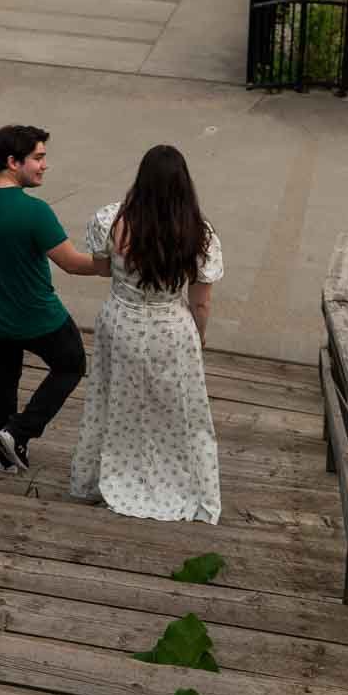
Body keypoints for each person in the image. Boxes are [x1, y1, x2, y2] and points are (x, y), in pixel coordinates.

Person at [0, 123, 105, 474]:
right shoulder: (35, 212)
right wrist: (117, 265)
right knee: (71, 364)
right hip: (37, 317)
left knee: (2, 378)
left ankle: (7, 457)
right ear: (13, 162)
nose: (45, 165)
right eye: (38, 158)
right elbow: (73, 264)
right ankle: (19, 432)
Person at [69, 144, 223, 523]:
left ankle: (103, 477)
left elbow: (103, 269)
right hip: (171, 328)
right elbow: (201, 302)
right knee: (179, 410)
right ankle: (180, 483)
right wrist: (199, 336)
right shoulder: (199, 235)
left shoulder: (111, 220)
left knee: (112, 401)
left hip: (121, 321)